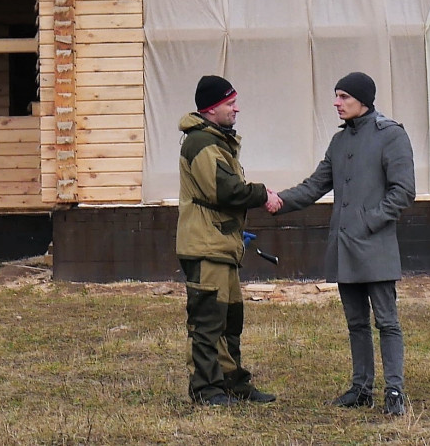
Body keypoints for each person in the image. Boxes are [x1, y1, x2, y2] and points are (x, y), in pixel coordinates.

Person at [269, 72, 416, 416]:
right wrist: (278, 200)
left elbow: (403, 191)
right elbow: (314, 186)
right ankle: (361, 388)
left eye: (344, 96)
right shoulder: (339, 142)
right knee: (356, 323)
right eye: (336, 96)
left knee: (387, 321)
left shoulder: (391, 135)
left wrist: (368, 221)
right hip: (345, 247)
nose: (336, 103)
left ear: (363, 99)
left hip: (375, 245)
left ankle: (394, 391)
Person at [176, 74, 283, 406]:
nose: (236, 109)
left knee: (230, 319)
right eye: (230, 103)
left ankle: (231, 382)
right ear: (212, 108)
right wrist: (262, 194)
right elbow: (224, 191)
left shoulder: (217, 142)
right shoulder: (201, 144)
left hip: (221, 245)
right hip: (205, 246)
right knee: (208, 321)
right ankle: (205, 389)